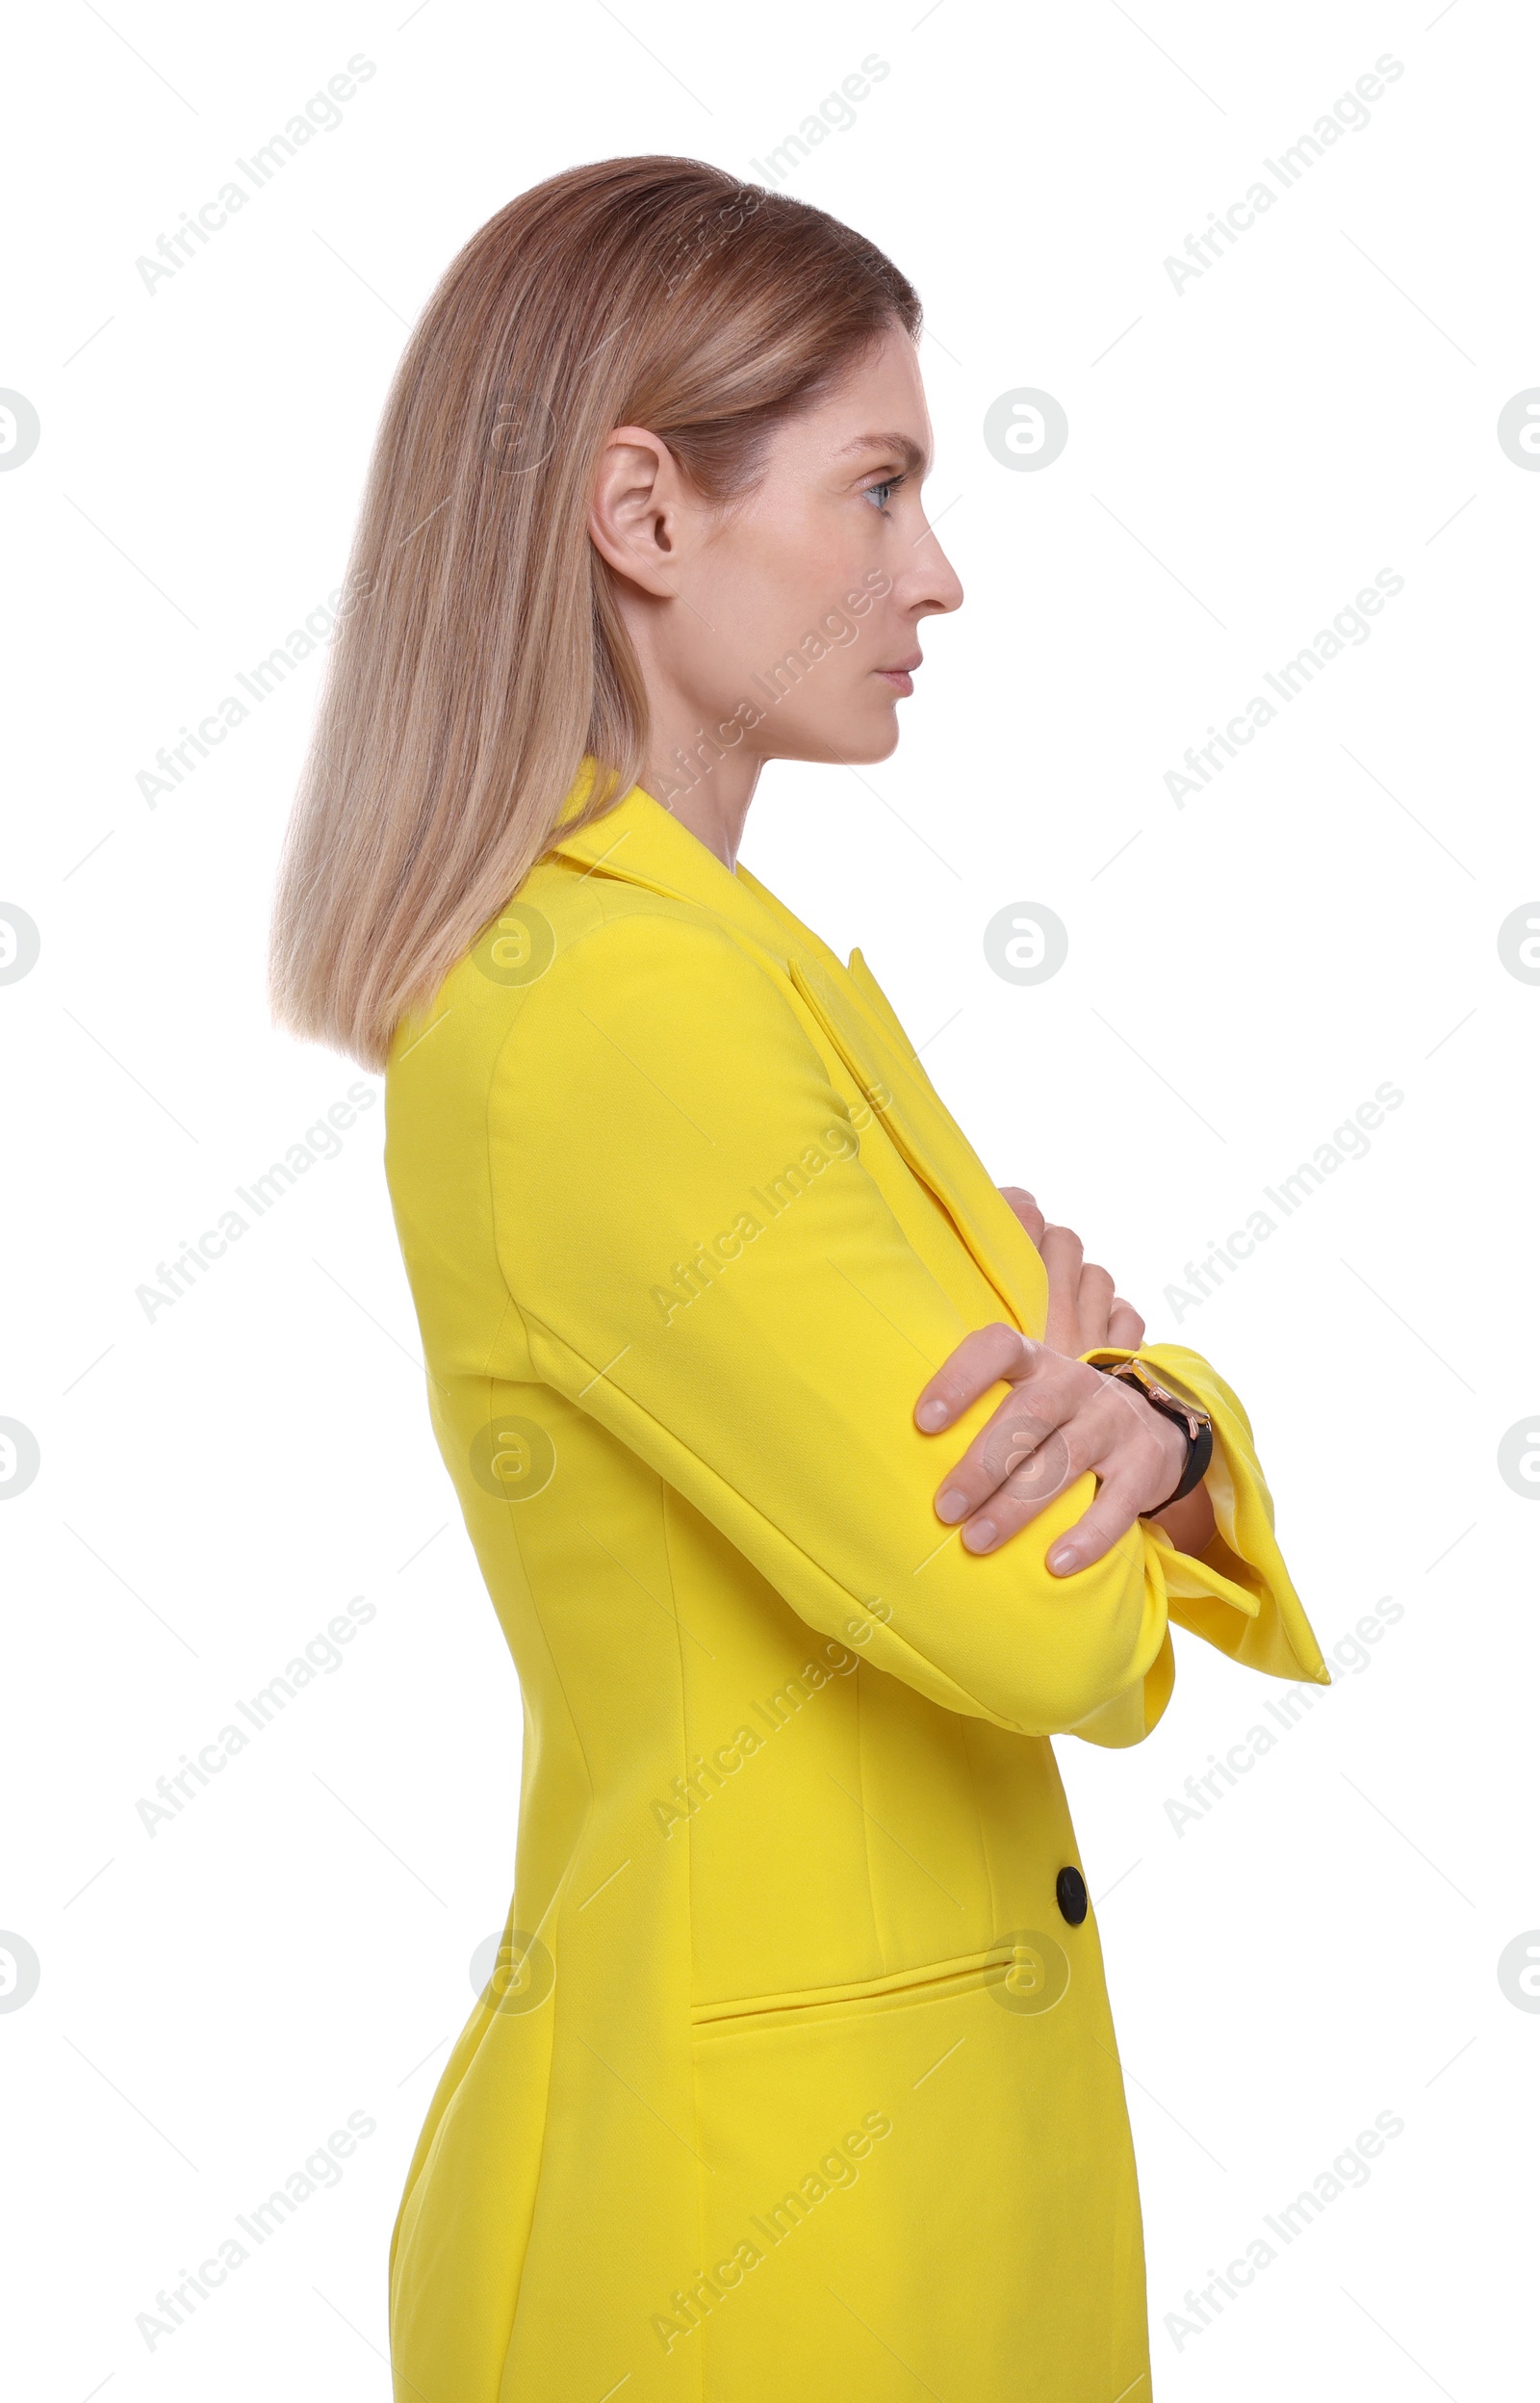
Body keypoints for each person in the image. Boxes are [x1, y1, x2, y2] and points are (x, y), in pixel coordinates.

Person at [270, 154, 1326, 2403]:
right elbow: (1041, 1619)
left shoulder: (720, 974)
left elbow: (1083, 1440)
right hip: (751, 2251)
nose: (931, 573)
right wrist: (1101, 1398)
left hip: (860, 2190)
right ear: (641, 514)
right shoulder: (621, 1017)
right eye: (874, 488)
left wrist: (1137, 1412)